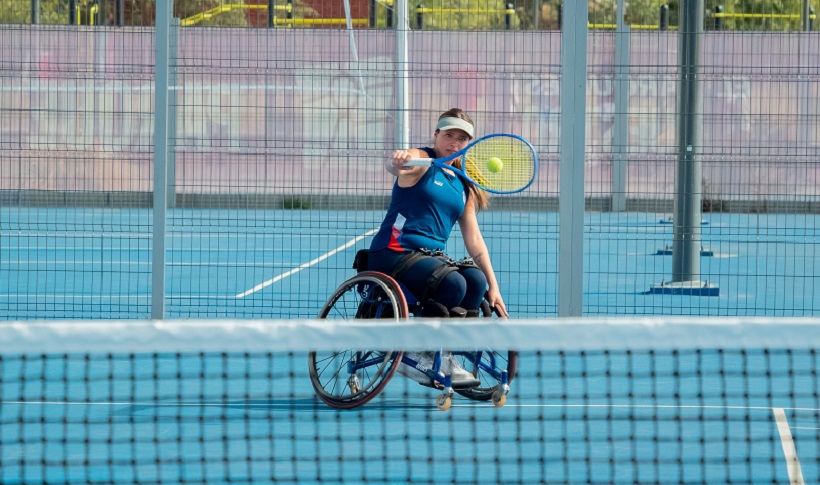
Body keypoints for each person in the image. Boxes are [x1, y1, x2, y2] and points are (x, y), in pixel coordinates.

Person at [367, 108, 509, 389]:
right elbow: (400, 165)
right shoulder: (422, 162)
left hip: (429, 259)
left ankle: (444, 353)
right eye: (449, 135)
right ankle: (419, 352)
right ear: (436, 135)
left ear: (468, 143)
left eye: (461, 138)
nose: (454, 142)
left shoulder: (463, 185)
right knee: (453, 282)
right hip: (393, 252)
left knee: (475, 281)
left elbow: (475, 240)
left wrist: (494, 286)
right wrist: (398, 160)